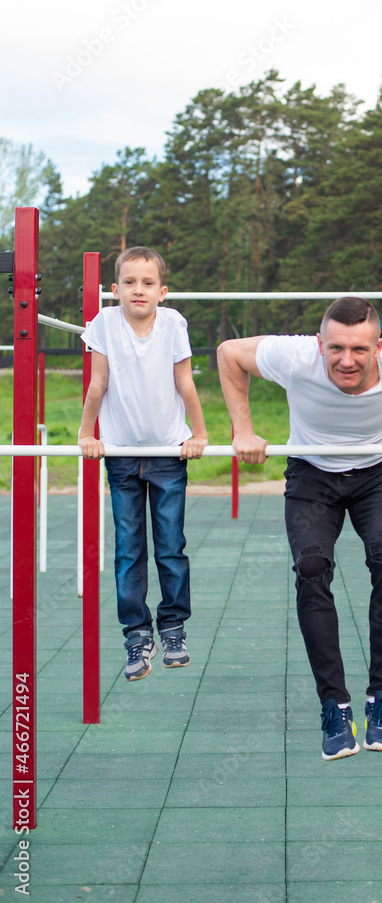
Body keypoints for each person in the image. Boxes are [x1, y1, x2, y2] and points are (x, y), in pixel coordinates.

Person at [217, 297, 382, 760]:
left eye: (359, 349)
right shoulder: (294, 357)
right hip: (312, 472)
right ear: (320, 344)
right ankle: (334, 705)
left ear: (380, 347)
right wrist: (242, 429)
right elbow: (230, 353)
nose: (346, 360)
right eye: (336, 348)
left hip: (378, 472)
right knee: (312, 568)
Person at [78, 246, 208, 682]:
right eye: (130, 283)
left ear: (162, 291)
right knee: (129, 549)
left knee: (170, 546)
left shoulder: (172, 324)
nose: (139, 290)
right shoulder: (104, 323)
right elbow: (97, 383)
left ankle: (173, 626)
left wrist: (200, 433)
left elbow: (185, 382)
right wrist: (86, 434)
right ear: (114, 290)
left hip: (168, 452)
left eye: (148, 283)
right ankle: (136, 632)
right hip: (119, 454)